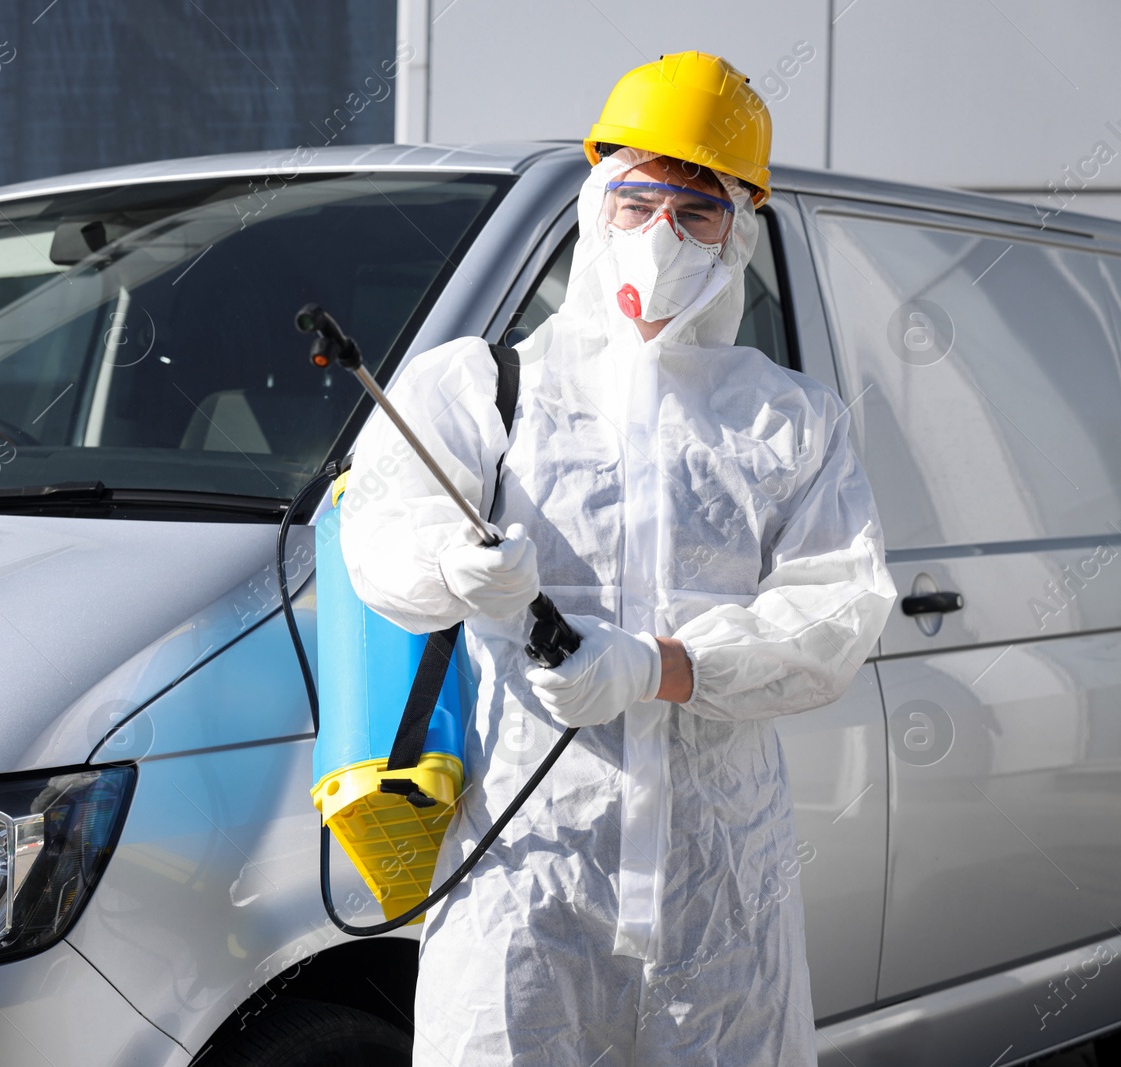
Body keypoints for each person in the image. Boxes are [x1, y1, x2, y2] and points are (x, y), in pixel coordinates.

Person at [339, 52, 895, 1065]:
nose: (660, 235)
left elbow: (835, 613)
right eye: (637, 199)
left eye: (696, 211)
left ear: (738, 232)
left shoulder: (788, 419)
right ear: (596, 201)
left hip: (719, 890)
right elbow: (379, 535)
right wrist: (457, 564)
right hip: (526, 864)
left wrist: (660, 665)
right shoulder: (481, 390)